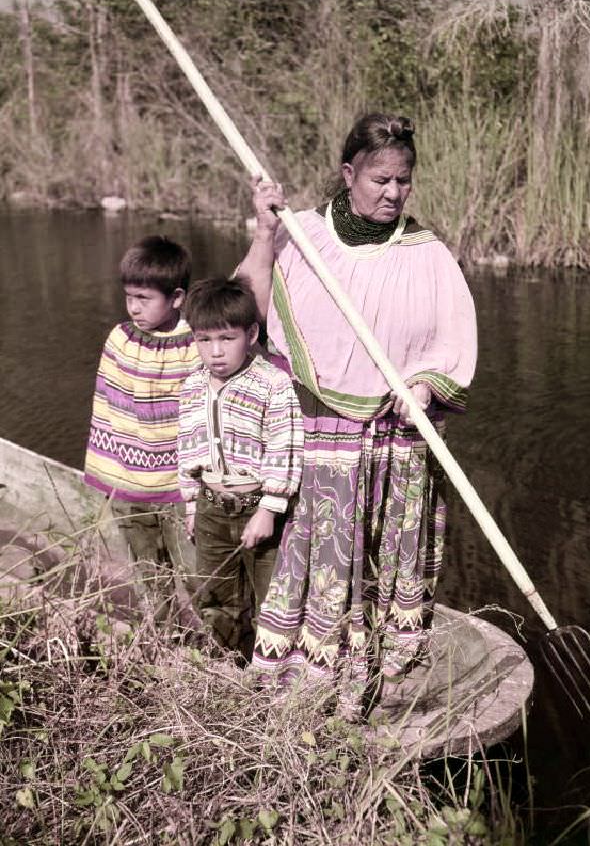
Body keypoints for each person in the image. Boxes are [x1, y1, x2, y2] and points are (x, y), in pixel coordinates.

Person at [238, 112, 477, 716]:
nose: (394, 193)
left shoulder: (428, 256)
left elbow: (452, 343)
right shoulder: (305, 238)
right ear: (349, 174)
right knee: (321, 554)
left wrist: (423, 385)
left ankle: (381, 671)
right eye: (380, 180)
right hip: (322, 434)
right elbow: (250, 313)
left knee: (383, 554)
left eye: (404, 181)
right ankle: (310, 674)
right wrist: (264, 233)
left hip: (397, 438)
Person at [177, 277, 303, 653]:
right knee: (216, 598)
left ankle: (274, 677)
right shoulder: (192, 386)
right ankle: (230, 668)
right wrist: (190, 504)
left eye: (226, 339)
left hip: (260, 510)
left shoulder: (273, 385)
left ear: (250, 334)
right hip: (211, 509)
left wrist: (268, 509)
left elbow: (285, 448)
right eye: (204, 340)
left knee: (272, 601)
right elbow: (187, 447)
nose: (215, 352)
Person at [84, 234, 201, 620]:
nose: (133, 307)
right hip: (130, 482)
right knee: (150, 572)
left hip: (181, 486)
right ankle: (167, 641)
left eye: (144, 298)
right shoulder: (120, 339)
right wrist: (108, 474)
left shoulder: (195, 344)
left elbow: (202, 412)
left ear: (177, 298)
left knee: (196, 572)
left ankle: (219, 651)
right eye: (129, 296)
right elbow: (108, 410)